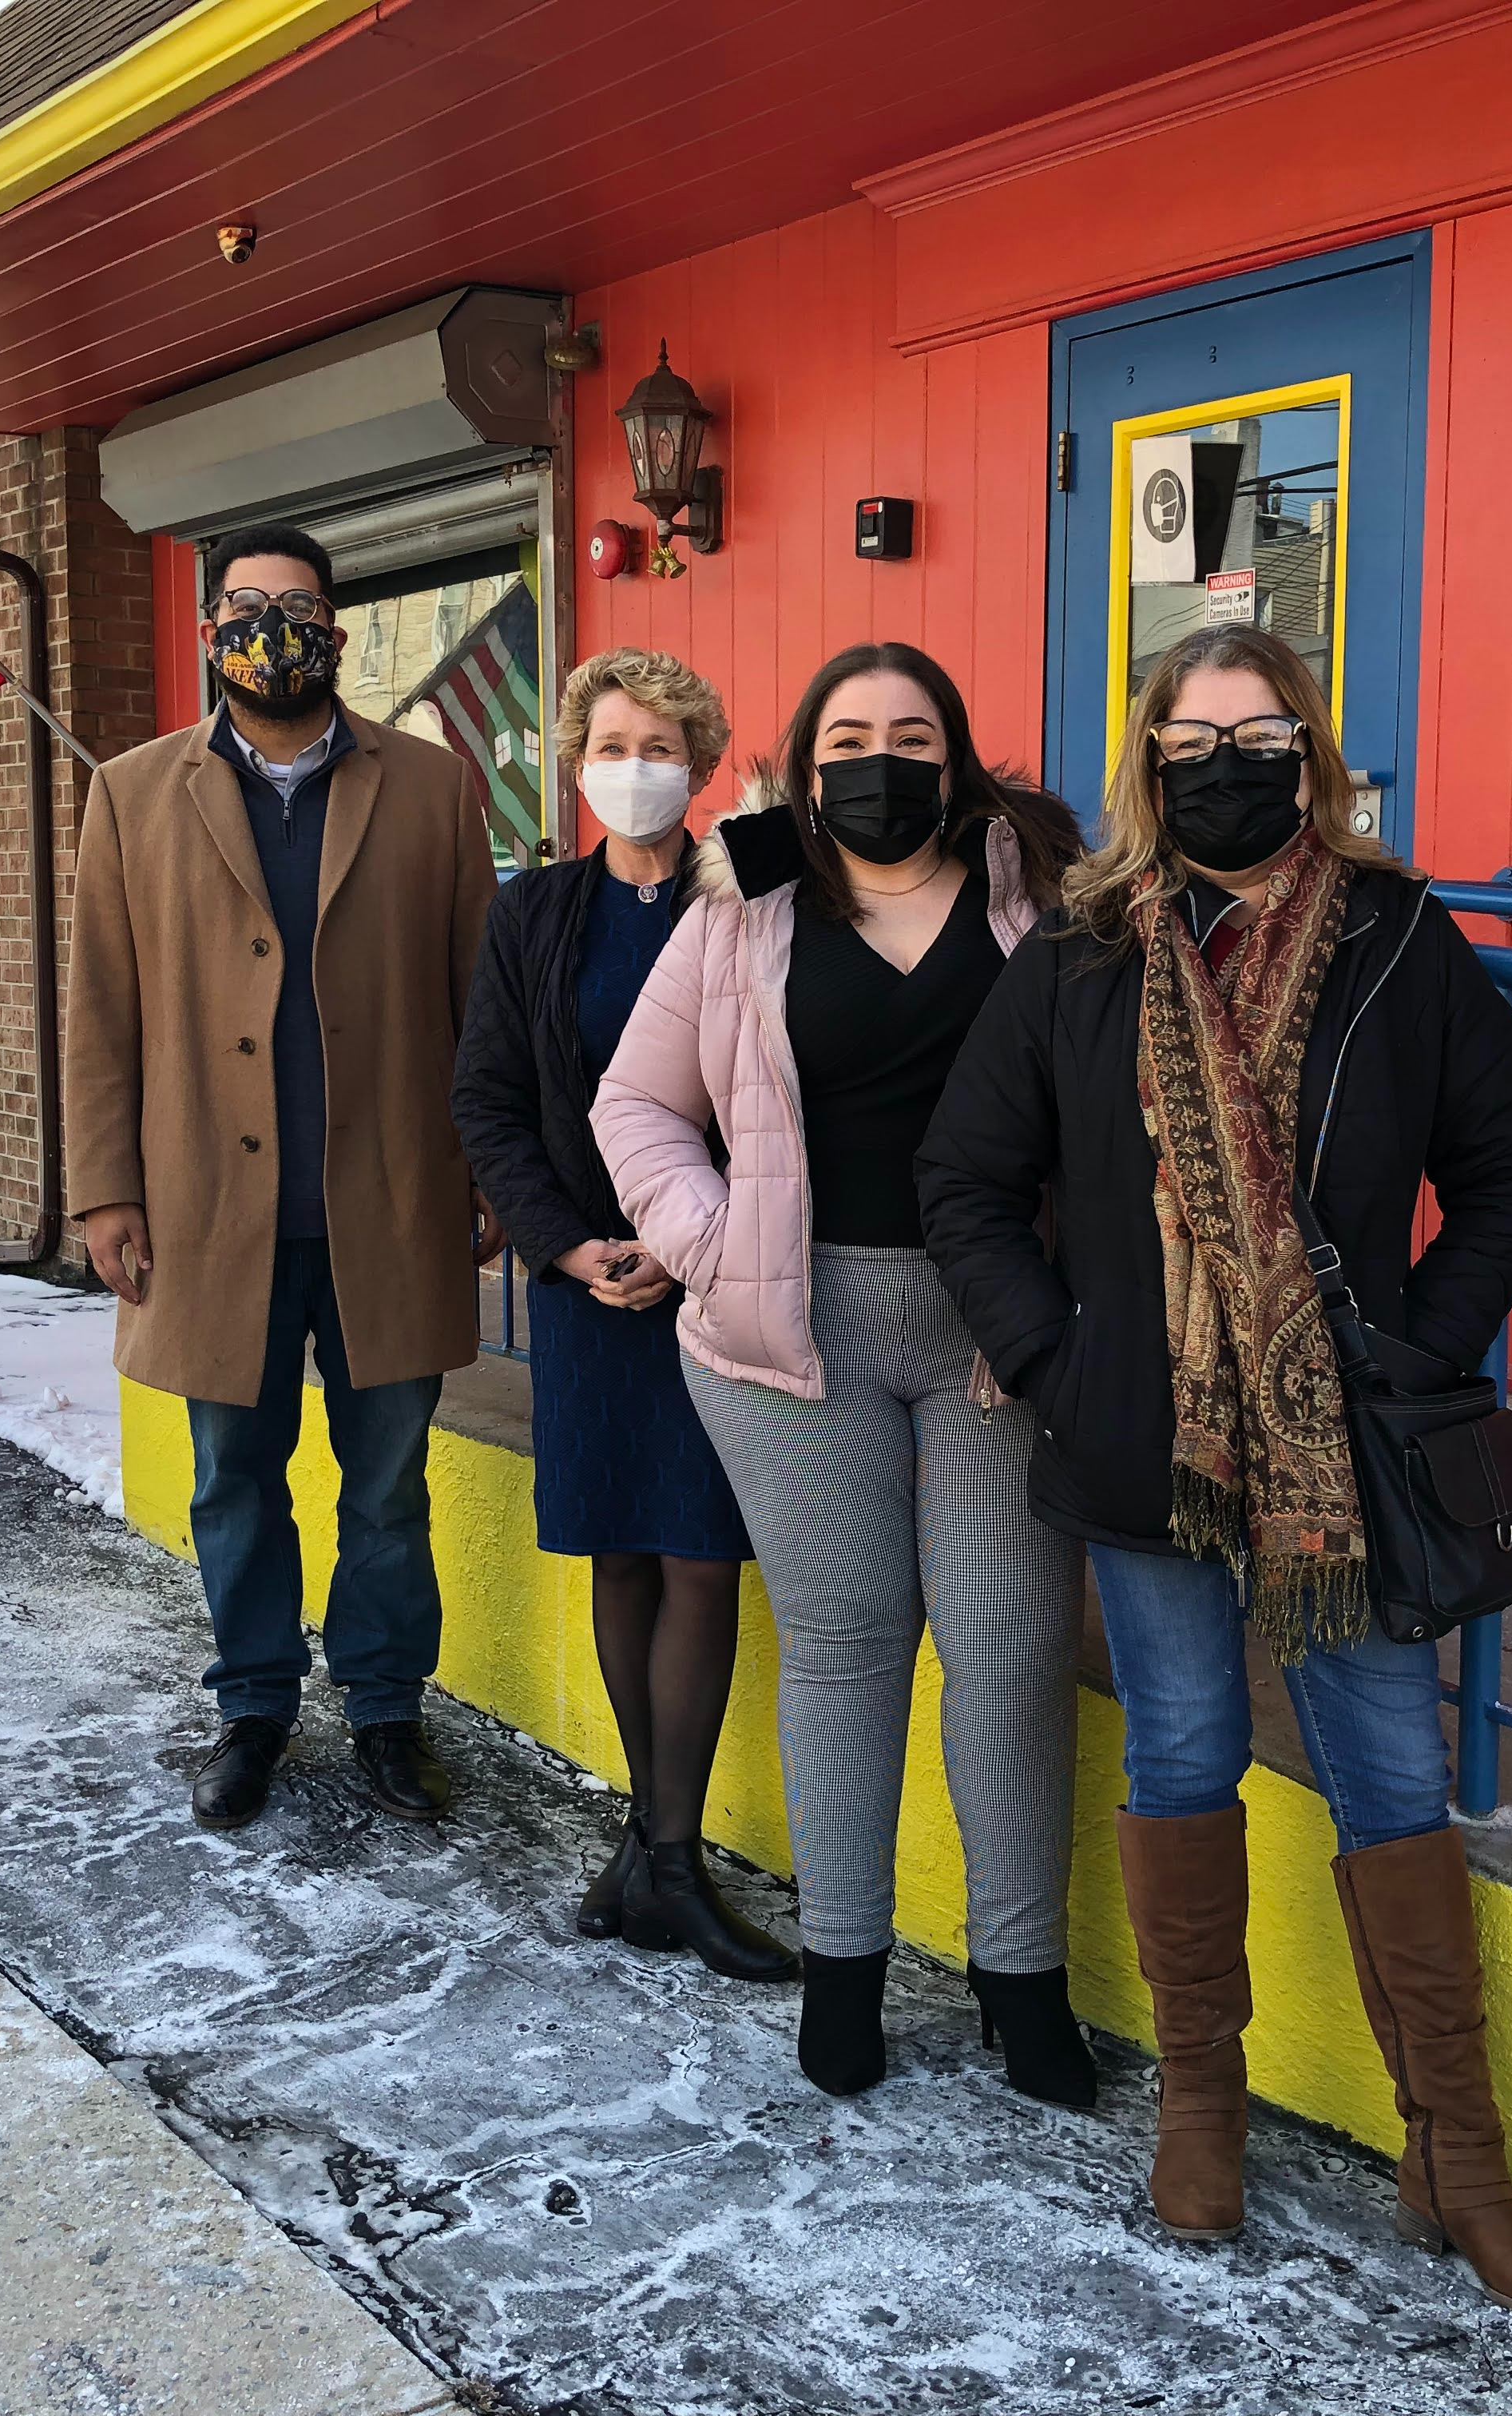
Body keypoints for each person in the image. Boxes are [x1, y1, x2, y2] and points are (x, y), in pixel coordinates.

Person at [914, 622, 1512, 2319]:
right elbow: (965, 1176)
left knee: (1383, 1767)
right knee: (1187, 1745)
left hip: (1345, 1445)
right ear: (1149, 759)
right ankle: (1204, 2103)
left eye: (1261, 730)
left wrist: (1420, 1347)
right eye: (1196, 733)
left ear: (1310, 749)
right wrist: (1067, 1361)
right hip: (1143, 1440)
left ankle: (1462, 2156)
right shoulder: (1077, 955)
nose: (1230, 759)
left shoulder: (1396, 936)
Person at [590, 641, 1094, 2105]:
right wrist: (714, 1243)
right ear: (808, 765)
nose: (884, 760)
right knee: (848, 1640)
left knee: (1005, 1645)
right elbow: (639, 1103)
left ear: (958, 754)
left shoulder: (1040, 900)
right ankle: (849, 1972)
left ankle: (1022, 1977)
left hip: (996, 1339)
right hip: (790, 1343)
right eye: (852, 736)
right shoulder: (743, 906)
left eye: (915, 733)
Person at [66, 522, 506, 1835]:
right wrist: (105, 1191)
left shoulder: (433, 789)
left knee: (387, 1484)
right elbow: (99, 1008)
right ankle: (252, 1708)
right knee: (232, 1480)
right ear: (211, 634)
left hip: (390, 1202)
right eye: (248, 606)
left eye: (299, 606)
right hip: (209, 1216)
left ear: (340, 628)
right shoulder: (134, 792)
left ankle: (384, 1710)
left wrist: (490, 1168)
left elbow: (480, 1004)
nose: (275, 626)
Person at [450, 647, 790, 1983]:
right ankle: (656, 1852)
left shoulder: (756, 891)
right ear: (575, 759)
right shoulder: (536, 916)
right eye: (609, 740)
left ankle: (670, 1850)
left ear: (700, 765)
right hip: (592, 1288)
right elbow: (486, 1096)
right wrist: (567, 1247)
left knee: (703, 1554)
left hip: (722, 1275)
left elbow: (787, 1084)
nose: (631, 765)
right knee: (621, 1557)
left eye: (659, 743)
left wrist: (697, 1238)